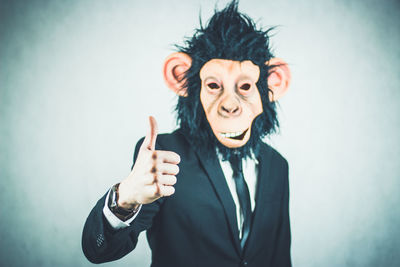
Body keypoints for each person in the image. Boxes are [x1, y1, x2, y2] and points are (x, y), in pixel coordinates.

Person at [82, 1, 292, 266]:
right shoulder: (164, 155)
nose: (230, 104)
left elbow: (279, 257)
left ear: (273, 84)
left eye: (246, 86)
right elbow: (99, 250)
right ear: (181, 78)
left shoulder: (277, 165)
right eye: (214, 85)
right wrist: (125, 198)